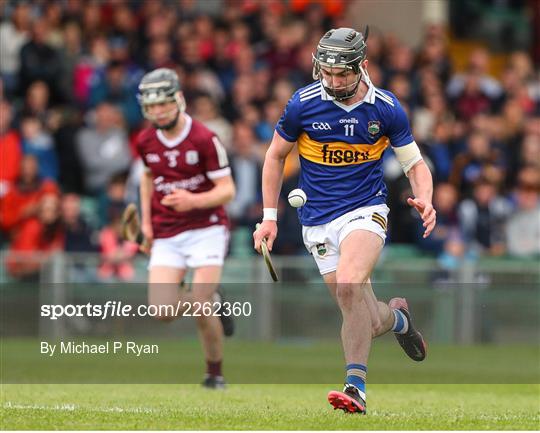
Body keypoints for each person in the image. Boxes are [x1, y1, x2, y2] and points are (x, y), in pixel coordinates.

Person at [253, 27, 436, 414]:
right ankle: (399, 320)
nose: (333, 81)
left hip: (365, 210)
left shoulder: (386, 108)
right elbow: (273, 157)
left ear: (362, 66)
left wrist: (426, 198)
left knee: (350, 284)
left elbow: (415, 164)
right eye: (327, 72)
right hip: (316, 220)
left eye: (343, 74)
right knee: (365, 320)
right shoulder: (303, 103)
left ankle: (355, 388)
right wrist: (269, 217)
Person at [135, 68, 236, 389]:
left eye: (163, 104)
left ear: (178, 99)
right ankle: (213, 300)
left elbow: (227, 190)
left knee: (200, 304)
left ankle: (214, 373)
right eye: (151, 107)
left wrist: (192, 201)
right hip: (167, 232)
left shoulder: (205, 138)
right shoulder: (145, 140)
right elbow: (148, 177)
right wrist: (147, 225)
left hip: (206, 227)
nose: (158, 112)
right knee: (161, 311)